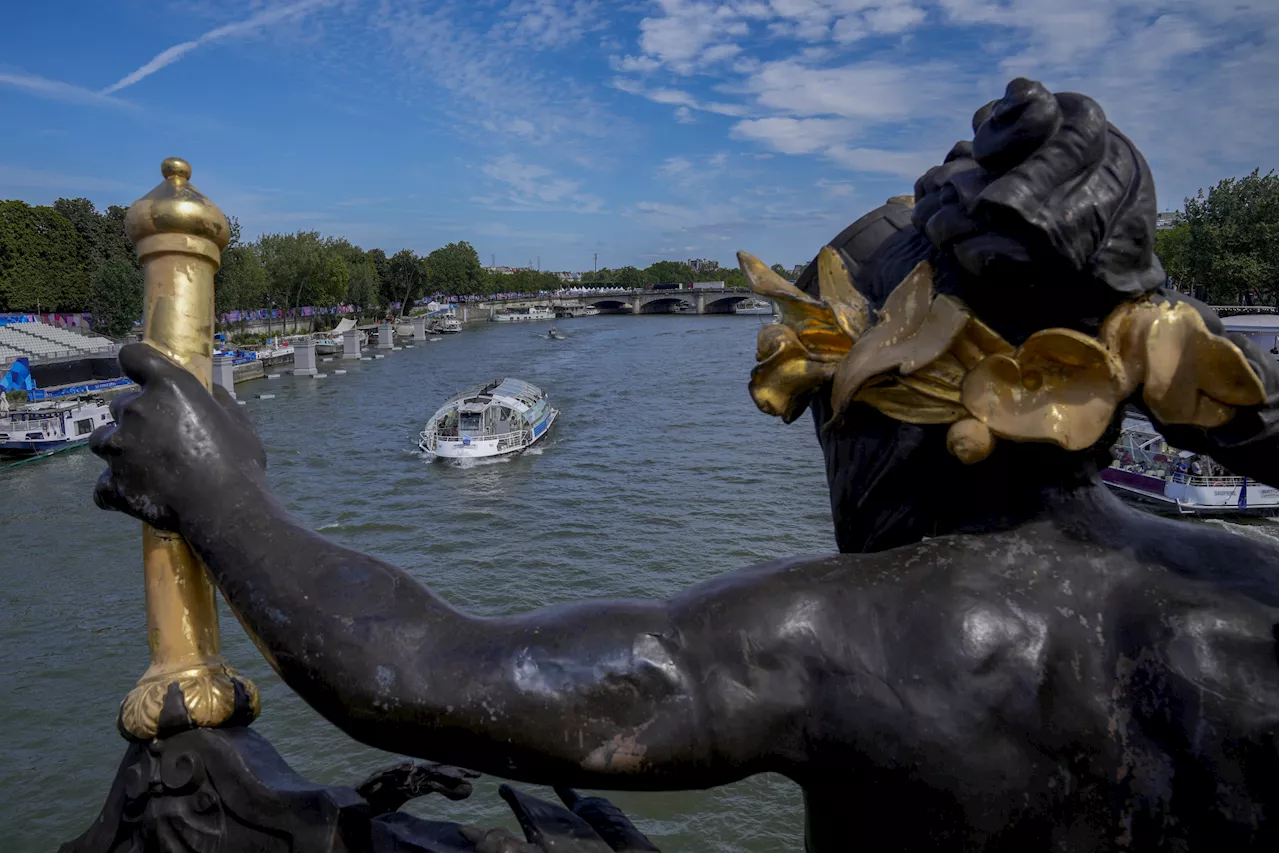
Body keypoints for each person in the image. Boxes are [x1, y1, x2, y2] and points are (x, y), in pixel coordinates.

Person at [90, 80, 1280, 851]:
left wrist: (218, 488)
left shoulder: (855, 633)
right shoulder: (1239, 600)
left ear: (907, 383)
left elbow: (409, 672)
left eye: (815, 394)